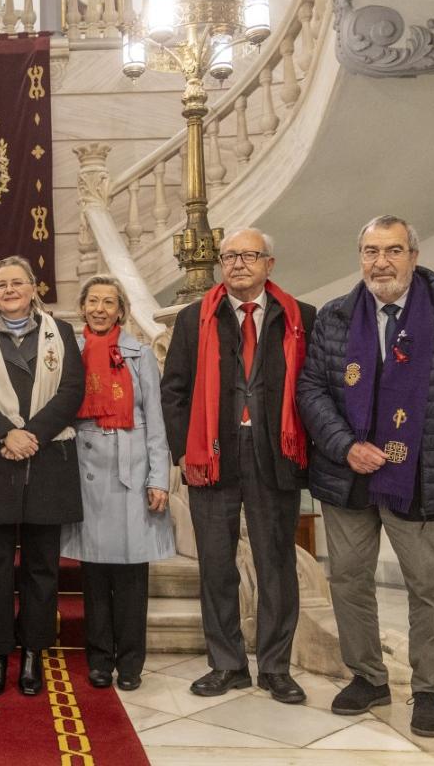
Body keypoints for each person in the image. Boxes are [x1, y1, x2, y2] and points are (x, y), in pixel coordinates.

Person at [297, 215, 434, 737]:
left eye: (392, 250)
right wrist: (345, 447)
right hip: (349, 476)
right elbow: (312, 390)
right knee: (348, 580)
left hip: (421, 477)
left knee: (429, 586)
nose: (380, 262)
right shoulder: (336, 317)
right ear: (359, 256)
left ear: (413, 254)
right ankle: (368, 677)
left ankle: (428, 689)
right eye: (369, 251)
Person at [160, 228, 315, 704]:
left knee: (276, 564)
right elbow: (175, 391)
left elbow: (313, 389)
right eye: (229, 256)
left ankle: (275, 667)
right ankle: (227, 664)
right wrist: (184, 452)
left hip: (275, 456)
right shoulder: (193, 319)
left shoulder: (300, 318)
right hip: (213, 457)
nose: (238, 264)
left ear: (270, 263)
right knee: (216, 566)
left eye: (249, 255)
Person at [0, 255, 83, 697]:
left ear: (34, 288)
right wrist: (6, 434)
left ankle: (32, 654)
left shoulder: (61, 334)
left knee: (41, 568)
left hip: (47, 462)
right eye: (0, 285)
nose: (8, 290)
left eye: (17, 283)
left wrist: (32, 435)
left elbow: (71, 390)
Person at [61, 275, 173, 692]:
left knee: (130, 577)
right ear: (82, 307)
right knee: (94, 575)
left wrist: (158, 478)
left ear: (122, 311)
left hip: (132, 466)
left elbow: (157, 423)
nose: (100, 309)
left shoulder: (140, 354)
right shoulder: (71, 353)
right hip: (86, 467)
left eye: (109, 302)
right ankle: (99, 659)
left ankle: (130, 662)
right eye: (93, 301)